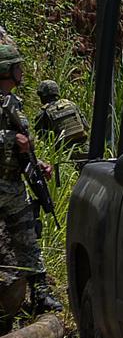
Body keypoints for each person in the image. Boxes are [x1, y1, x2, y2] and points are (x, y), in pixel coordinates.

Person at [0, 45, 59, 314]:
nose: (22, 72)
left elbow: (23, 148)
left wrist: (39, 164)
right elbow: (12, 140)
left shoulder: (13, 104)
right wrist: (14, 139)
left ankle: (40, 293)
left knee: (27, 237)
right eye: (17, 67)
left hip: (12, 184)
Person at [33, 80, 89, 154]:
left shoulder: (43, 112)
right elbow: (86, 126)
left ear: (43, 96)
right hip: (84, 147)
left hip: (64, 152)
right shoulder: (71, 104)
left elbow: (42, 137)